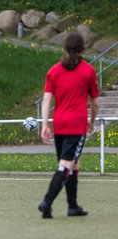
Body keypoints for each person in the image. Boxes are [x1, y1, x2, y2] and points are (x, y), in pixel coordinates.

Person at [38, 32, 99, 218]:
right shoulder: (88, 71)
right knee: (65, 165)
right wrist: (92, 121)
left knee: (73, 164)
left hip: (60, 124)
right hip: (76, 125)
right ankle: (46, 202)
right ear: (83, 48)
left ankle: (73, 207)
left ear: (64, 47)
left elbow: (46, 100)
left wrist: (45, 125)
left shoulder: (54, 71)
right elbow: (95, 103)